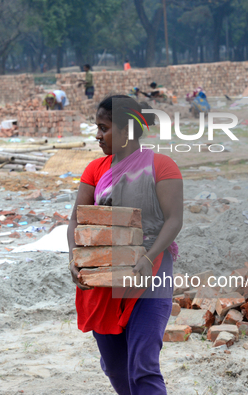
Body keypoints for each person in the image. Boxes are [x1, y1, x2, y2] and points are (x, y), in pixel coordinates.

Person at [67, 95, 184, 395]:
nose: (97, 135)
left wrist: (150, 256)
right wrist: (74, 259)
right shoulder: (95, 169)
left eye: (103, 128)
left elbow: (173, 220)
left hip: (150, 274)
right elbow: (76, 222)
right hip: (104, 279)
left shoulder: (162, 166)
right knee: (117, 368)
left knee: (143, 368)